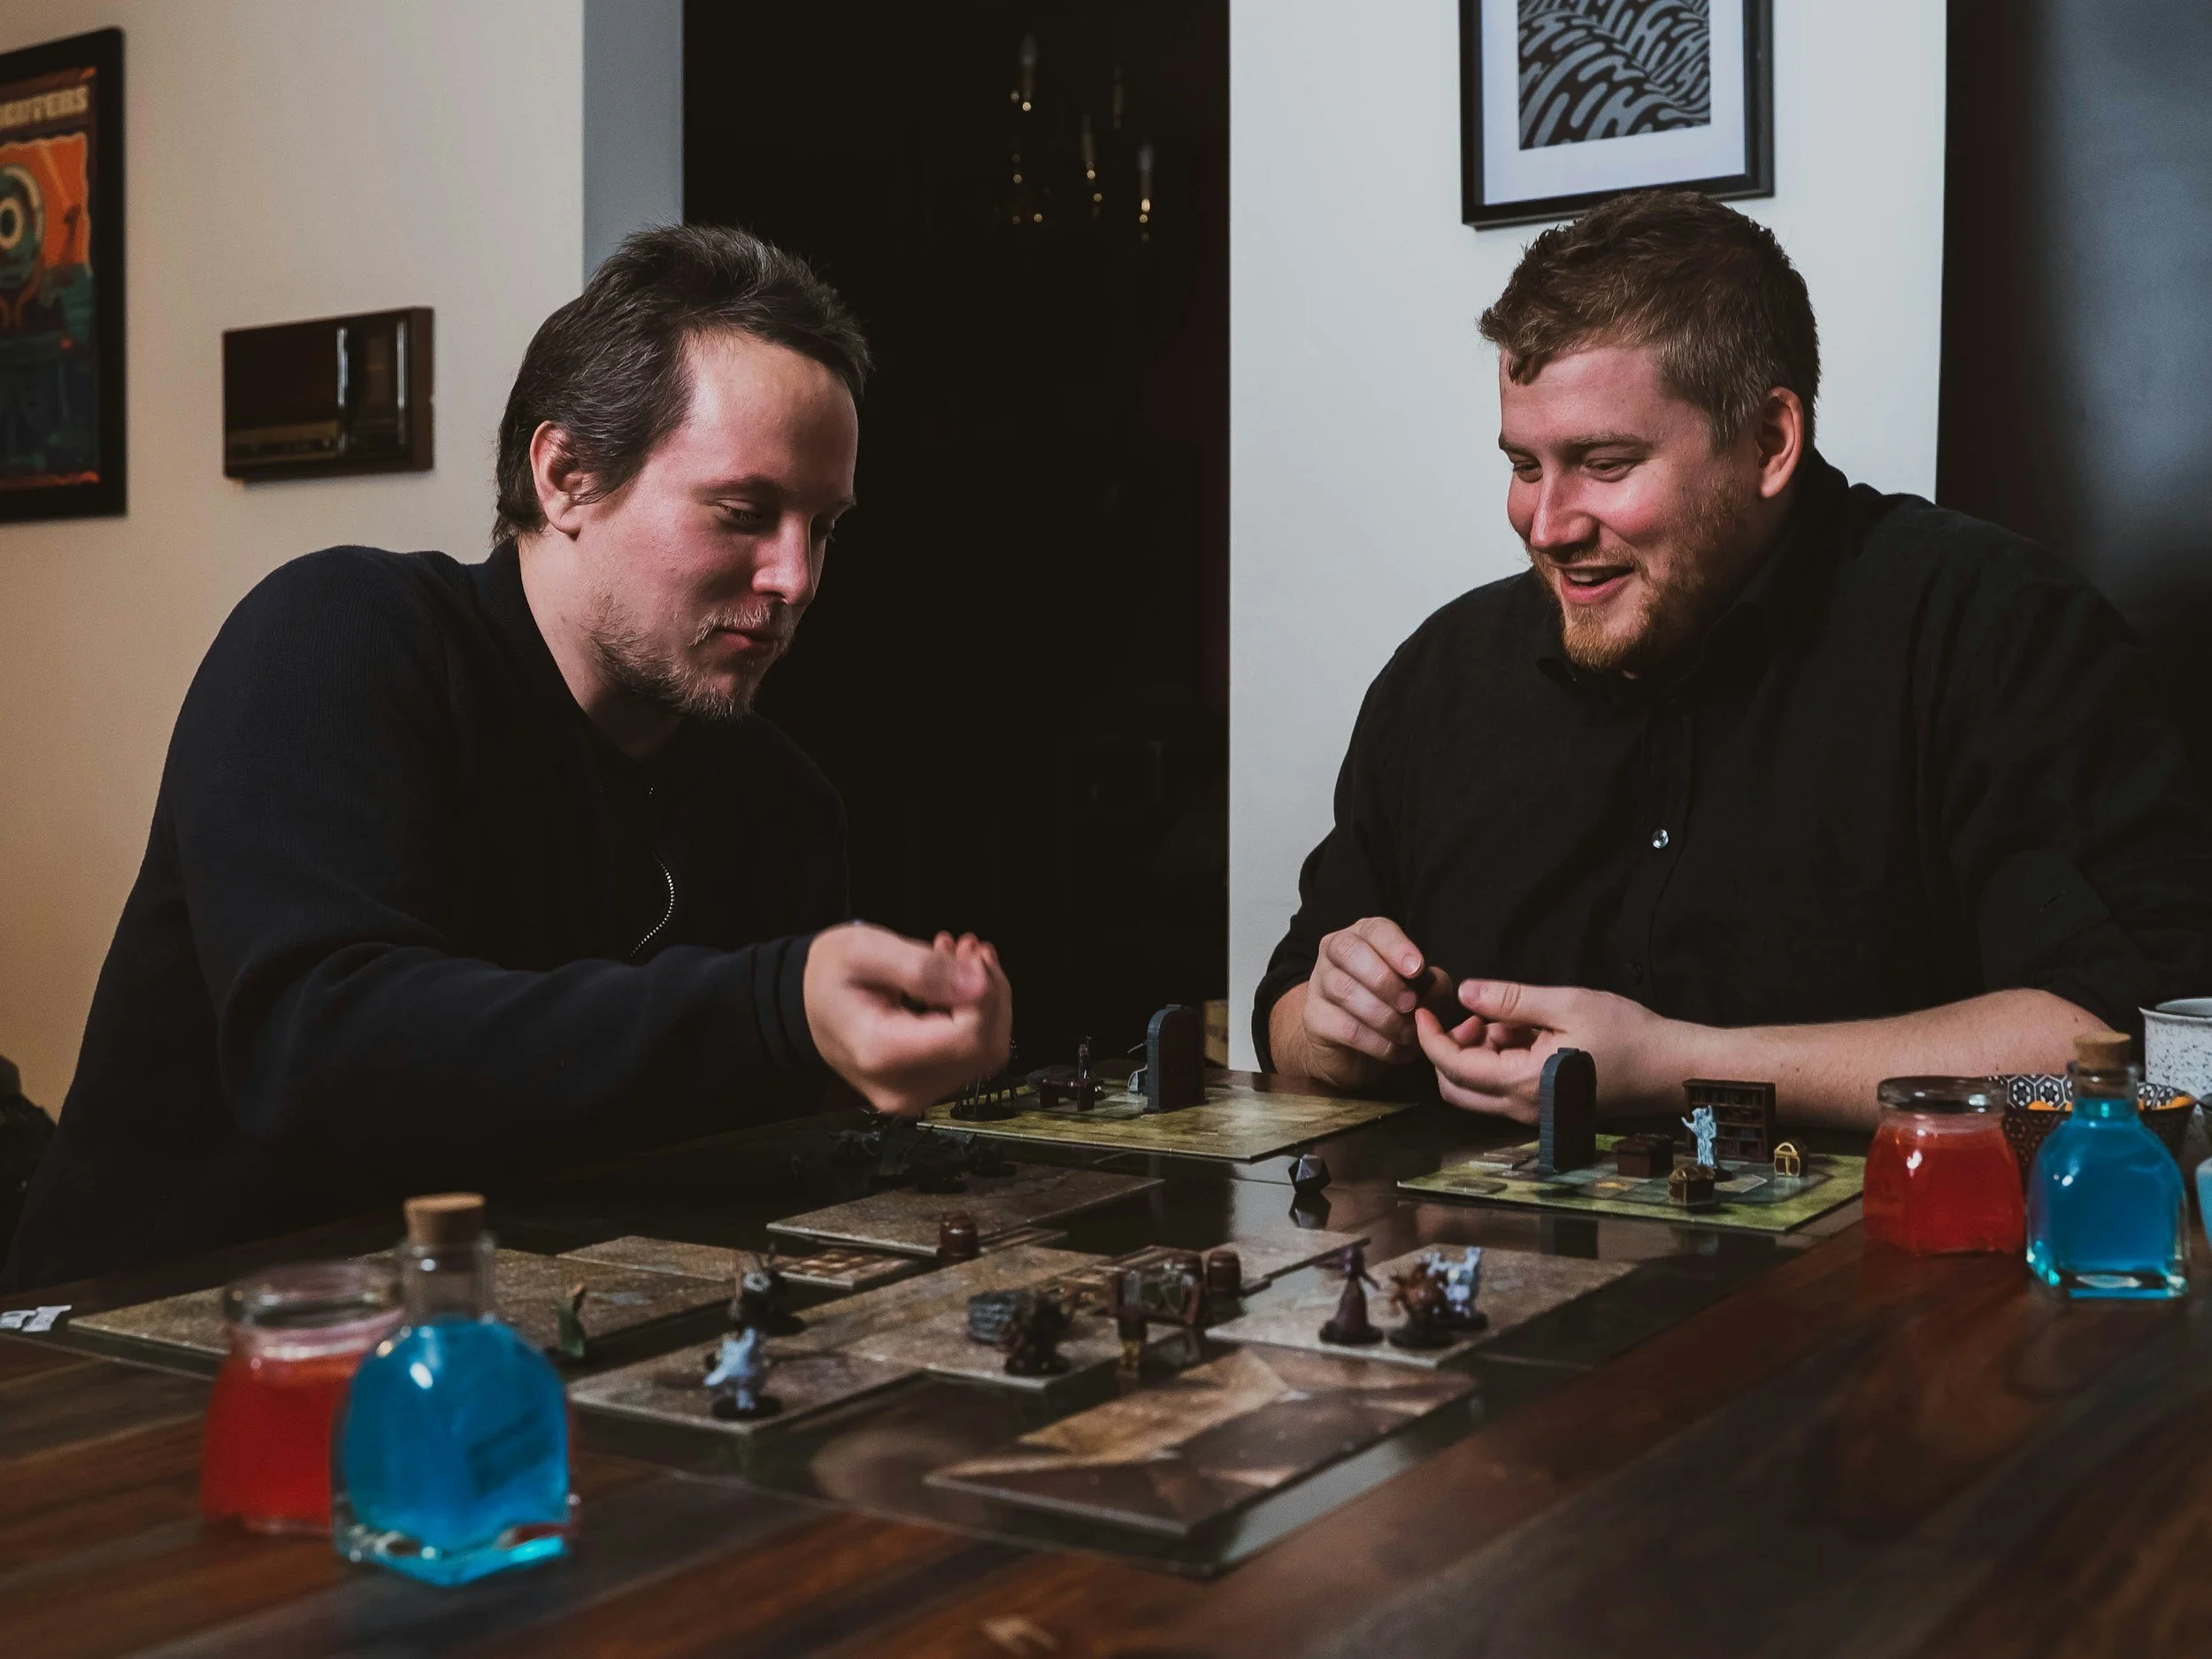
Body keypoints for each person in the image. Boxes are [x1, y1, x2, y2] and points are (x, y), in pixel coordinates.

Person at [4, 227, 1011, 1289]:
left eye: (825, 526)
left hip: (516, 1342)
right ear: (567, 475)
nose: (794, 577)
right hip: (146, 1352)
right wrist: (773, 1008)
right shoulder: (339, 639)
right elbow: (324, 1057)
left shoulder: (781, 800)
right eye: (744, 513)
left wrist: (868, 1068)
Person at [1258, 190, 2212, 1132]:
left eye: (1605, 463)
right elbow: (1289, 1016)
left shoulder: (1997, 631)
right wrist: (1336, 1027)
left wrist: (1680, 1069)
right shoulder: (1441, 677)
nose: (1545, 528)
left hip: (1880, 1282)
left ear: (1768, 441)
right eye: (1523, 466)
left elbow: (2123, 1043)